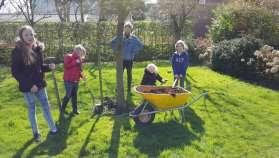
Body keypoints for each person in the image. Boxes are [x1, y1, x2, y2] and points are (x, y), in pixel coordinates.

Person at [11, 25, 58, 142]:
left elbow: (39, 67)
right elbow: (16, 72)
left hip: (40, 84)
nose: (30, 37)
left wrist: (48, 67)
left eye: (31, 34)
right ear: (21, 37)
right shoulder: (17, 52)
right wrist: (29, 85)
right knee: (32, 109)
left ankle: (53, 129)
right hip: (28, 88)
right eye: (26, 34)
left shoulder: (38, 48)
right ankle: (36, 133)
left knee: (46, 107)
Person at [110, 21, 143, 93]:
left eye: (129, 29)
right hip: (121, 59)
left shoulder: (134, 38)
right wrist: (117, 50)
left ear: (131, 29)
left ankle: (128, 89)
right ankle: (118, 88)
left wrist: (134, 50)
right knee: (120, 75)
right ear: (124, 29)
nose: (127, 30)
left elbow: (141, 45)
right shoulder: (120, 36)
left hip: (130, 59)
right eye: (126, 28)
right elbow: (111, 43)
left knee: (129, 74)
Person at [61, 44, 86, 115]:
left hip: (76, 80)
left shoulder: (80, 59)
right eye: (81, 53)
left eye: (82, 54)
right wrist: (76, 61)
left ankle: (75, 110)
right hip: (68, 80)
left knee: (74, 95)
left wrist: (82, 76)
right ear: (77, 50)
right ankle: (62, 109)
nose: (81, 55)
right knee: (68, 95)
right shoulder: (68, 56)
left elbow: (79, 70)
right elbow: (66, 66)